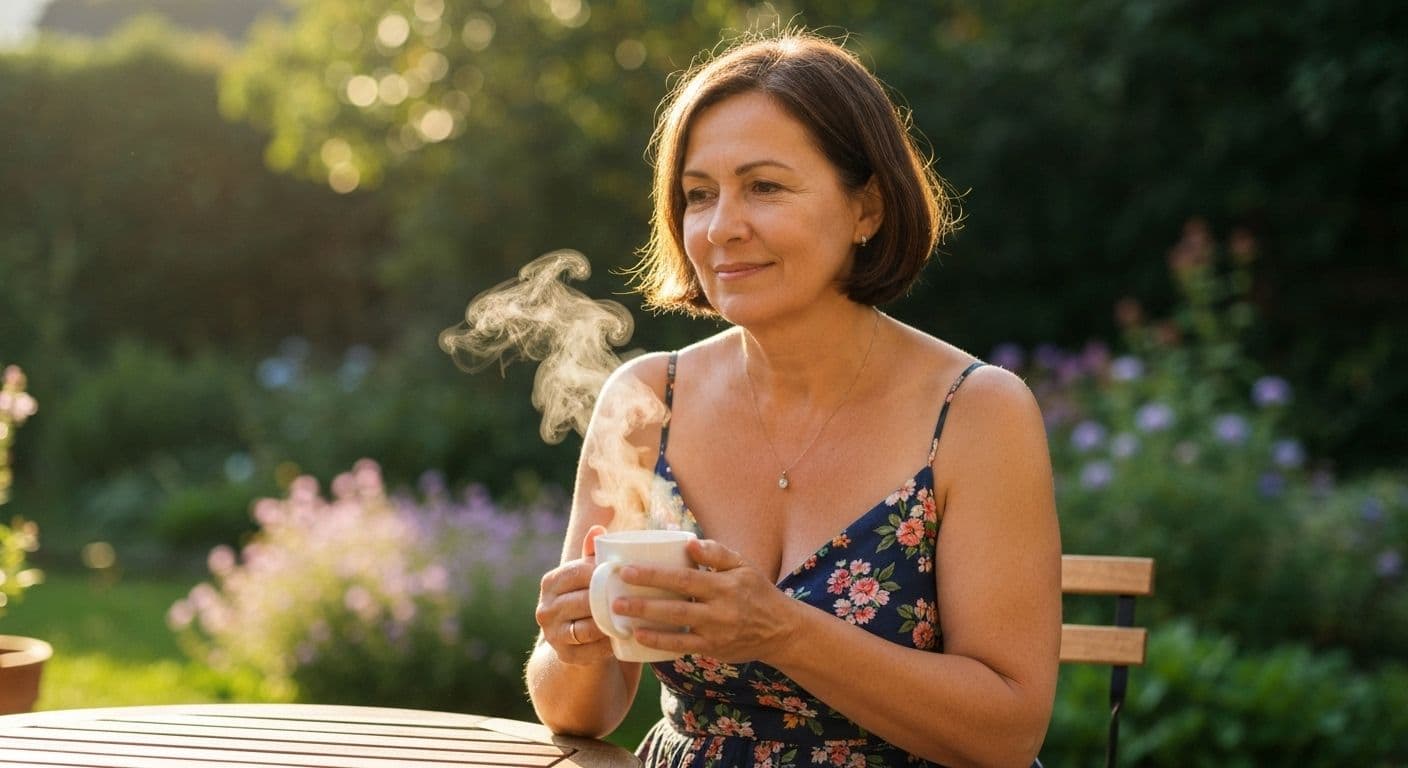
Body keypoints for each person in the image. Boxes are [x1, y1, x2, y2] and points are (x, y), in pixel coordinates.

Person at [526, 30, 1061, 768]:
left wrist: (780, 630)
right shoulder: (646, 402)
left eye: (765, 187)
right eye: (699, 195)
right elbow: (580, 713)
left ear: (867, 208)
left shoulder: (976, 413)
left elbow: (1008, 733)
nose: (722, 227)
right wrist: (574, 642)